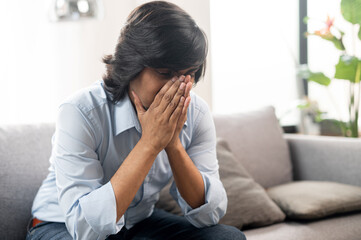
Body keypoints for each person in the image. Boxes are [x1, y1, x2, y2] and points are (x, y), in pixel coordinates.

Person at [26, 1, 246, 240]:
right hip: (60, 225)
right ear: (132, 66)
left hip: (137, 222)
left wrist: (172, 144)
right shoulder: (80, 111)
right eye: (165, 74)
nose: (179, 86)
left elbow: (209, 215)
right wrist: (150, 143)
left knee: (227, 238)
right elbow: (85, 229)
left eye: (189, 73)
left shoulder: (197, 113)